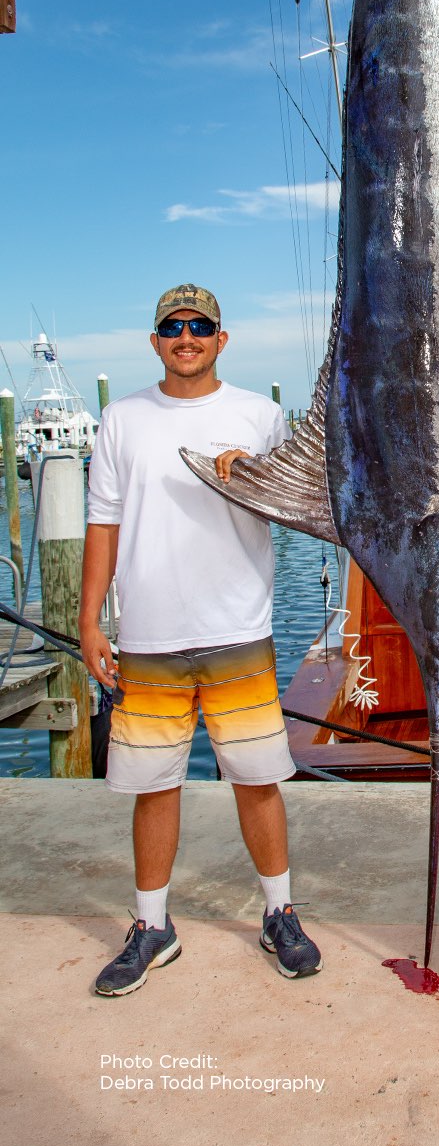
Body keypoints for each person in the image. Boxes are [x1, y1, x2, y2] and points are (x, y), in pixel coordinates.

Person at [79, 284, 321, 996]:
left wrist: (250, 474)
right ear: (155, 341)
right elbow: (103, 524)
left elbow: (302, 505)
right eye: (173, 327)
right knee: (153, 787)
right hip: (149, 635)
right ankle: (152, 925)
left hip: (238, 627)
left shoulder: (262, 414)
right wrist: (91, 620)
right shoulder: (120, 419)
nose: (187, 336)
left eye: (200, 326)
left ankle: (280, 912)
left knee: (257, 778)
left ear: (222, 338)